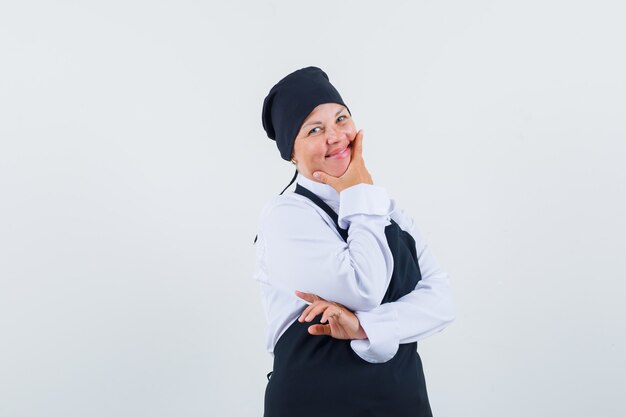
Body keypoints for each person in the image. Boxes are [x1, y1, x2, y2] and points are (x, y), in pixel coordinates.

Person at [253, 66, 455, 417]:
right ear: (292, 153)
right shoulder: (285, 217)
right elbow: (363, 288)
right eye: (314, 129)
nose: (335, 136)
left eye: (341, 119)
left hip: (402, 402)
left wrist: (362, 326)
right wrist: (359, 190)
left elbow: (440, 303)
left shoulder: (388, 210)